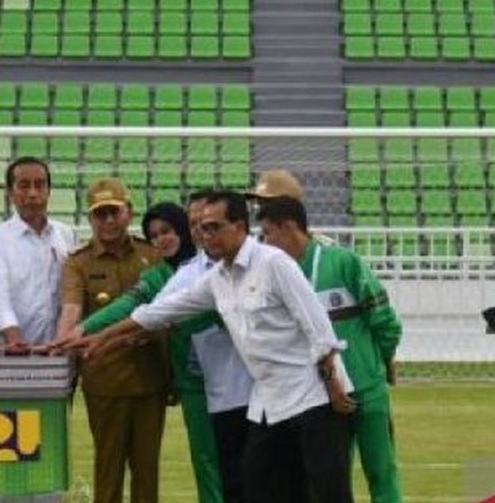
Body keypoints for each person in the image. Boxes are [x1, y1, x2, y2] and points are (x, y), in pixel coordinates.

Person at [79, 191, 357, 503]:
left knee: (327, 491)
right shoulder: (217, 278)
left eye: (214, 227)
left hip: (315, 395)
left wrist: (333, 383)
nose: (204, 235)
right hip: (269, 400)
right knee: (259, 485)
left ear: (239, 226)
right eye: (201, 228)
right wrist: (100, 339)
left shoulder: (274, 263)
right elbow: (159, 312)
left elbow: (317, 326)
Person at [55, 192, 251, 503]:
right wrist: (90, 335)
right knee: (211, 464)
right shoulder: (185, 274)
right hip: (198, 383)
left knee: (256, 468)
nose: (203, 232)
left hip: (253, 382)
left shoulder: (262, 261)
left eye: (208, 225)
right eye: (196, 225)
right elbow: (145, 311)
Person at [256, 195, 404, 503]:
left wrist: (382, 358)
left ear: (289, 227)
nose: (264, 242)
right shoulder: (272, 275)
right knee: (329, 479)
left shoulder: (342, 262)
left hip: (366, 387)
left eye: (268, 233)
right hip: (319, 396)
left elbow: (385, 321)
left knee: (381, 471)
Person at [56, 178, 168, 503]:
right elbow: (72, 312)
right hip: (105, 381)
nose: (107, 220)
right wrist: (62, 346)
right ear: (90, 218)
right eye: (99, 213)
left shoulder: (153, 254)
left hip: (151, 379)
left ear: (128, 212)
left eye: (114, 212)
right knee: (108, 472)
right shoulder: (78, 262)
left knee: (148, 474)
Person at [0, 157, 77, 348]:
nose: (33, 193)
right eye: (24, 186)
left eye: (40, 185)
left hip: (61, 348)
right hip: (15, 350)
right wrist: (14, 338)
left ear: (49, 191)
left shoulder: (66, 235)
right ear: (10, 192)